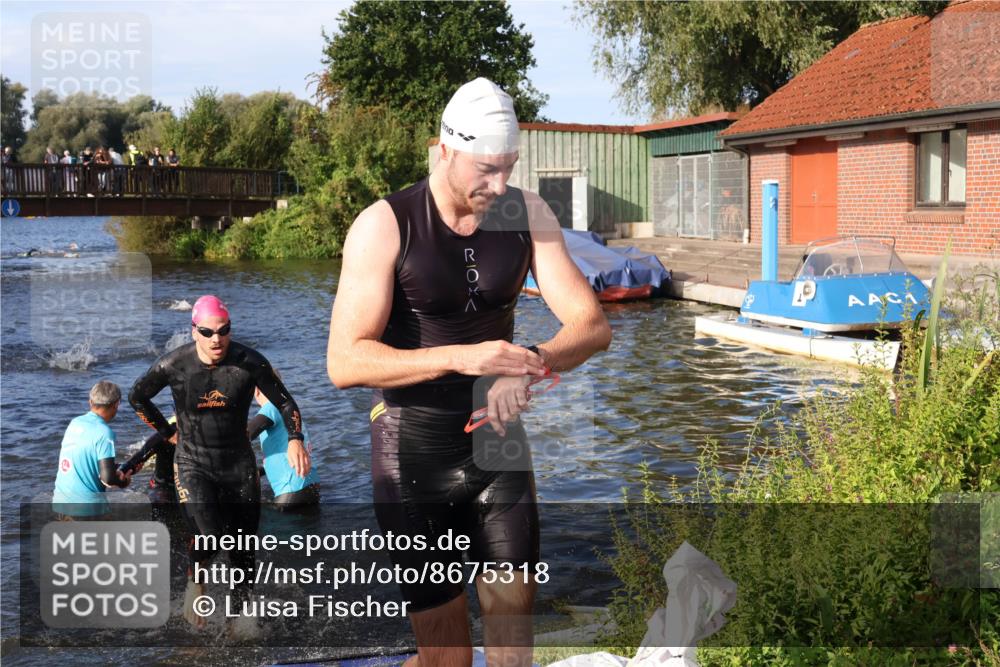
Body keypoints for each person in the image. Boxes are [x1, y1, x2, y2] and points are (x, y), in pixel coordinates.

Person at [326, 78, 611, 667]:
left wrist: (530, 363)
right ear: (446, 150)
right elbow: (344, 360)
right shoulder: (385, 224)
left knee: (513, 649)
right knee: (448, 658)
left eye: (509, 167)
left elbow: (590, 324)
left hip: (498, 448)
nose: (499, 185)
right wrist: (463, 357)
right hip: (412, 453)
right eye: (486, 169)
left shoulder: (526, 213)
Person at [128, 294, 307, 634]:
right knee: (210, 537)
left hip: (238, 464)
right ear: (194, 330)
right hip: (194, 462)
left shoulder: (249, 361)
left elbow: (286, 402)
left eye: (224, 331)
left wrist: (295, 439)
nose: (217, 339)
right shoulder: (174, 364)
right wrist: (167, 432)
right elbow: (138, 397)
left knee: (243, 552)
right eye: (208, 332)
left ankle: (238, 623)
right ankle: (197, 581)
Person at [52, 381, 133, 517]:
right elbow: (108, 479)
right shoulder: (104, 432)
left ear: (90, 402)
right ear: (116, 404)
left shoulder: (75, 423)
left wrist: (121, 467)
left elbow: (86, 461)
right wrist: (124, 481)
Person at [248, 377, 320, 510]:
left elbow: (244, 436)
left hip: (291, 490)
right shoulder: (293, 416)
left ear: (256, 391)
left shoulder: (270, 407)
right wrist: (258, 471)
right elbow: (285, 456)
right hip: (312, 486)